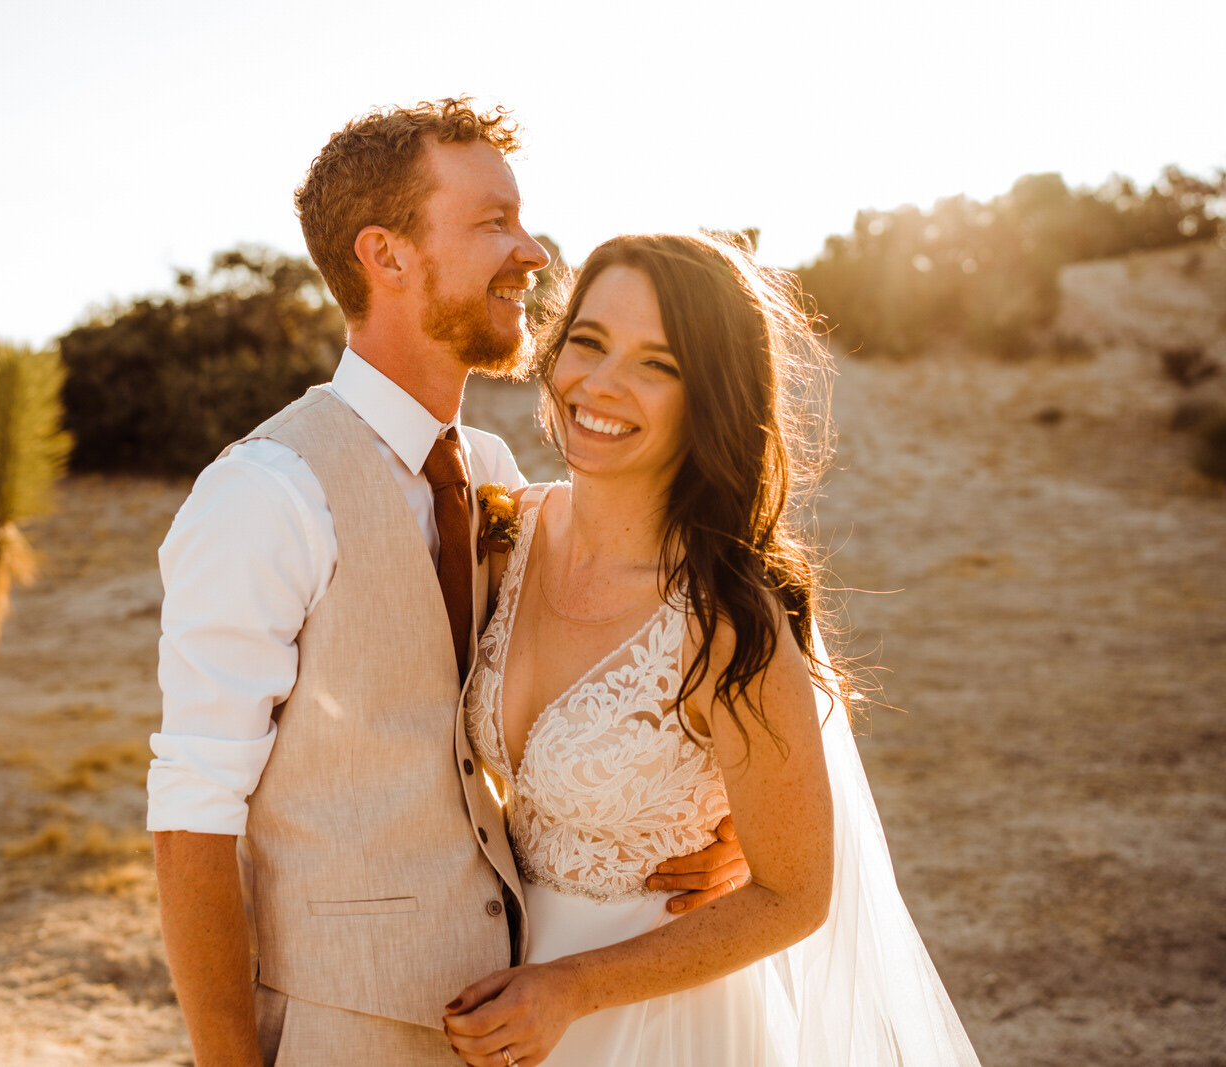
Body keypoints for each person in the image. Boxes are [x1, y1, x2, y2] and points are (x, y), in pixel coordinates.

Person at [147, 102, 747, 1067]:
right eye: (492, 223)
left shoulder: (498, 471)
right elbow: (191, 817)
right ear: (386, 255)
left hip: (522, 1018)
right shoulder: (265, 492)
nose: (532, 250)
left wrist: (727, 823)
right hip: (341, 1027)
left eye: (521, 219)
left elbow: (651, 645)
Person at [443, 233, 982, 1066]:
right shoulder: (506, 535)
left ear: (711, 397)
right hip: (505, 998)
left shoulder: (728, 621)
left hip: (663, 1023)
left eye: (658, 363)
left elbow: (795, 894)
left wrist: (572, 988)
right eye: (588, 342)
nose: (601, 383)